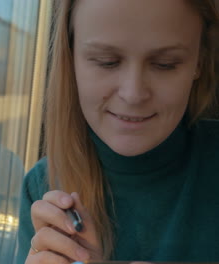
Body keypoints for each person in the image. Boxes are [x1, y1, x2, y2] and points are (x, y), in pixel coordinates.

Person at [18, 0, 219, 263]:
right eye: (107, 62)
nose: (133, 94)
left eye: (165, 64)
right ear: (71, 59)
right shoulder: (41, 187)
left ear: (199, 61)